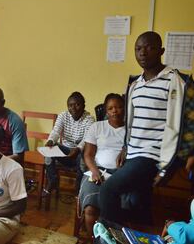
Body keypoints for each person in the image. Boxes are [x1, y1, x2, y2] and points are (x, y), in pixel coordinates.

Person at [99, 31, 194, 224]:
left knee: (108, 189)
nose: (142, 52)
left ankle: (111, 237)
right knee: (138, 203)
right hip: (133, 154)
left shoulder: (178, 82)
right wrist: (126, 148)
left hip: (152, 155)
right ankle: (137, 232)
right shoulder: (135, 84)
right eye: (138, 48)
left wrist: (187, 154)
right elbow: (134, 122)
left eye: (149, 47)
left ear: (161, 51)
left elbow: (190, 122)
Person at [78, 93, 125, 238]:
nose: (114, 111)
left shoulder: (130, 130)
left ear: (125, 109)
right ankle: (95, 239)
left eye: (118, 107)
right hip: (96, 172)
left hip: (120, 175)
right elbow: (88, 154)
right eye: (110, 108)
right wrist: (94, 171)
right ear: (106, 111)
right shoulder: (97, 127)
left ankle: (112, 238)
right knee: (91, 207)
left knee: (114, 207)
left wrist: (126, 149)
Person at [43, 91, 94, 196]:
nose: (73, 108)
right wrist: (51, 140)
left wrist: (78, 149)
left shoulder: (89, 119)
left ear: (84, 106)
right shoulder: (63, 116)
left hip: (79, 155)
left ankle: (78, 190)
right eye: (70, 105)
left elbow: (87, 139)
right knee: (49, 150)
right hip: (65, 152)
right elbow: (56, 131)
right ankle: (53, 180)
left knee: (83, 157)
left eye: (77, 104)